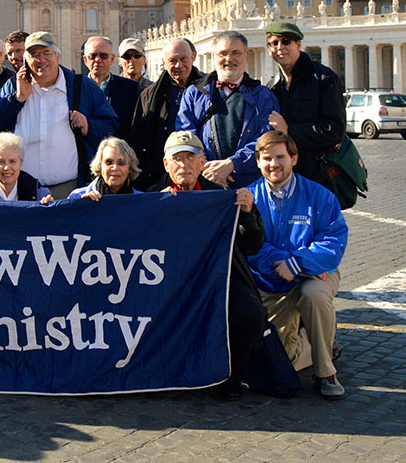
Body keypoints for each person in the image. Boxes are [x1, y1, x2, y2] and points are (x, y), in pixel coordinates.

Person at [150, 130, 266, 400]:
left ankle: (231, 375)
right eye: (177, 159)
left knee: (251, 312)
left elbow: (252, 246)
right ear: (166, 165)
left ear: (203, 163)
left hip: (217, 279)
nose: (184, 165)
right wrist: (158, 210)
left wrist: (249, 213)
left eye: (191, 158)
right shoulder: (153, 197)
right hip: (168, 283)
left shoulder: (222, 196)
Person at [247, 131, 348, 400]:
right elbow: (249, 245)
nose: (274, 164)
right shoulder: (249, 197)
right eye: (267, 158)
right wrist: (281, 263)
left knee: (313, 296)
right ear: (258, 161)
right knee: (281, 363)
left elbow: (332, 241)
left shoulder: (319, 195)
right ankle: (317, 338)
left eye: (281, 157)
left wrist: (298, 263)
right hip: (272, 280)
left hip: (315, 275)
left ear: (294, 158)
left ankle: (326, 371)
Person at [0, 31, 119, 199]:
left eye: (47, 53)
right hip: (25, 192)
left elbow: (111, 124)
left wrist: (88, 126)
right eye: (34, 55)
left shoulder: (81, 86)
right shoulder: (14, 86)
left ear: (57, 56)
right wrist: (17, 99)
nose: (41, 60)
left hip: (68, 190)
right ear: (26, 60)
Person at [177, 31, 280, 189]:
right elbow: (186, 135)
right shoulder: (193, 93)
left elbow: (267, 138)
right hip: (206, 180)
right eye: (223, 53)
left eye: (236, 53)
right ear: (213, 57)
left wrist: (232, 164)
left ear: (246, 56)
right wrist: (210, 170)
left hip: (251, 184)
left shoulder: (264, 95)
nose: (229, 59)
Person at [264, 22, 346, 188]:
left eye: (286, 41)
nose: (280, 47)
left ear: (298, 44)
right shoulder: (272, 87)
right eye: (274, 43)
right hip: (284, 177)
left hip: (319, 177)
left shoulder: (324, 78)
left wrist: (288, 131)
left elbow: (335, 130)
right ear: (268, 48)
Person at [129, 38, 203, 190]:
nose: (178, 65)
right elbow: (137, 138)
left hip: (202, 174)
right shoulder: (148, 95)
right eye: (172, 60)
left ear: (193, 57)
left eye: (183, 59)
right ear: (163, 62)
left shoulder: (208, 89)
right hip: (159, 176)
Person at [83, 36, 140, 141]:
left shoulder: (131, 89)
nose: (98, 60)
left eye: (103, 56)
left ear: (112, 59)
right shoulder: (76, 89)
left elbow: (137, 129)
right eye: (93, 56)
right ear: (86, 60)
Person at [66, 137, 140, 199]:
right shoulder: (77, 197)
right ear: (100, 166)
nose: (114, 168)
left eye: (121, 163)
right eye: (109, 162)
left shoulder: (141, 200)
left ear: (130, 168)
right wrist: (84, 207)